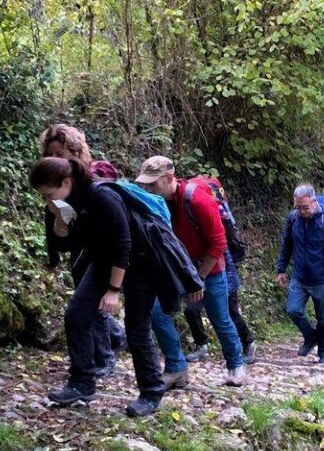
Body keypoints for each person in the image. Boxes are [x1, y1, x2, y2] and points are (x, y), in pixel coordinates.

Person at [29, 156, 201, 416]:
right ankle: (81, 383)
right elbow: (69, 245)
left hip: (141, 262)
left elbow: (124, 244)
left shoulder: (102, 196)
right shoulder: (64, 202)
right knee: (76, 315)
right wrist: (59, 219)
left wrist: (112, 291)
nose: (47, 199)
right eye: (43, 196)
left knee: (137, 328)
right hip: (103, 262)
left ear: (66, 181)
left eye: (49, 194)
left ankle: (151, 392)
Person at [136, 156, 247, 387]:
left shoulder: (198, 200)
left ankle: (236, 364)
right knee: (157, 311)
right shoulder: (157, 202)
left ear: (168, 179)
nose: (147, 188)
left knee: (220, 318)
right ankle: (177, 367)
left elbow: (218, 244)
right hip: (178, 266)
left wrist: (198, 279)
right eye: (144, 184)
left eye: (152, 184)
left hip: (210, 268)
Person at [39, 123, 125, 362]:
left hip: (100, 254)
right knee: (87, 302)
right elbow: (53, 220)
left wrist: (114, 287)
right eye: (49, 154)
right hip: (79, 252)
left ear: (74, 153)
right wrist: (53, 256)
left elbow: (119, 236)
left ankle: (104, 357)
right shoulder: (54, 184)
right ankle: (115, 338)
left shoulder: (91, 184)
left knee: (90, 305)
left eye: (59, 153)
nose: (54, 158)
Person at [184, 175, 257, 365]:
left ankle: (248, 343)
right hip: (203, 270)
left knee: (229, 312)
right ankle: (202, 345)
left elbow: (229, 246)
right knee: (191, 310)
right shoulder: (194, 211)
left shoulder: (219, 216)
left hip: (225, 270)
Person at [276, 184, 324, 365]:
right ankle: (311, 336)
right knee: (293, 310)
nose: (301, 211)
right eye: (297, 207)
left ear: (314, 202)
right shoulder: (293, 219)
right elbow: (287, 245)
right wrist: (281, 269)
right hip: (300, 276)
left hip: (322, 278)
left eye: (305, 207)